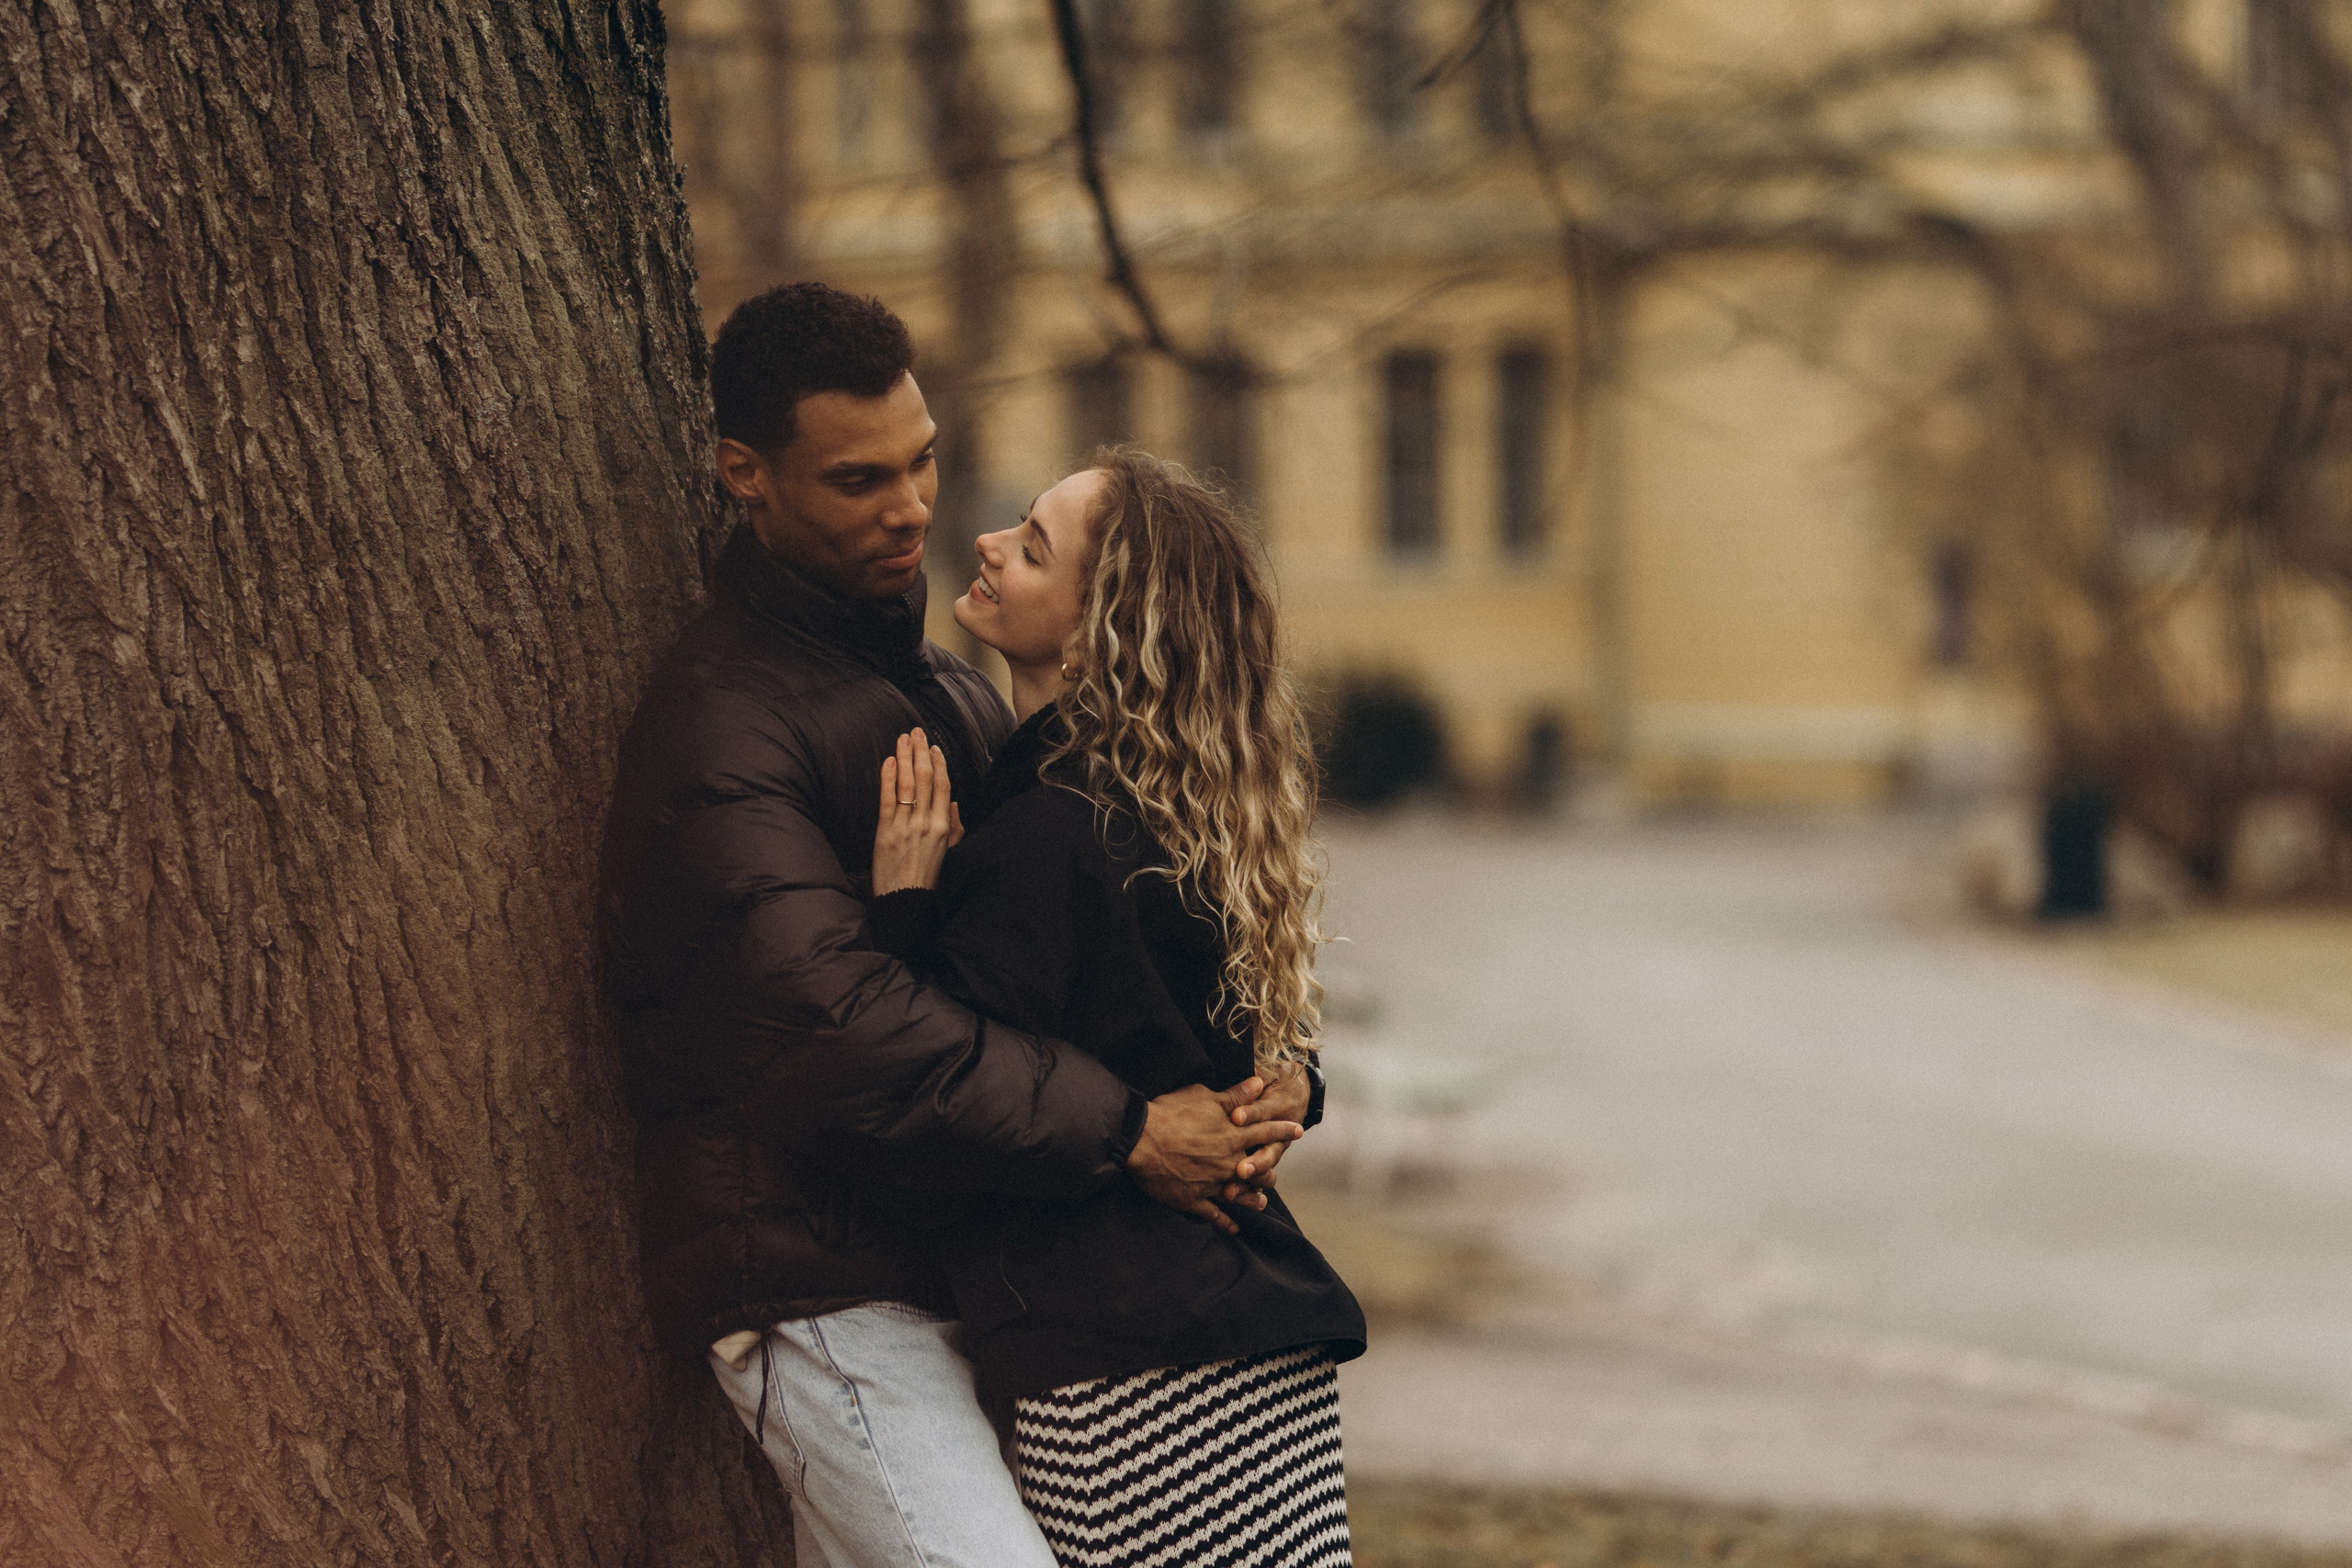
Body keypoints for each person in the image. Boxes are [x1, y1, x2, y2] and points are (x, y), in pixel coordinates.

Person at [595, 283, 1314, 1568]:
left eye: (924, 460)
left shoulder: (955, 700)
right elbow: (840, 1037)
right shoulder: (724, 724)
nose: (916, 508)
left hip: (968, 1266)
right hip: (814, 1281)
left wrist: (1277, 1083)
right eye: (862, 479)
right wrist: (1136, 1127)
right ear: (743, 474)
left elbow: (1099, 965)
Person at [862, 449, 1366, 1568]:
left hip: (1129, 1372)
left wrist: (900, 911)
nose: (986, 542)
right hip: (1256, 1357)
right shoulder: (1188, 816)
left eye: (1032, 545)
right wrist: (1299, 1086)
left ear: (1098, 635)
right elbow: (1230, 1048)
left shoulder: (1048, 840)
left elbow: (941, 1112)